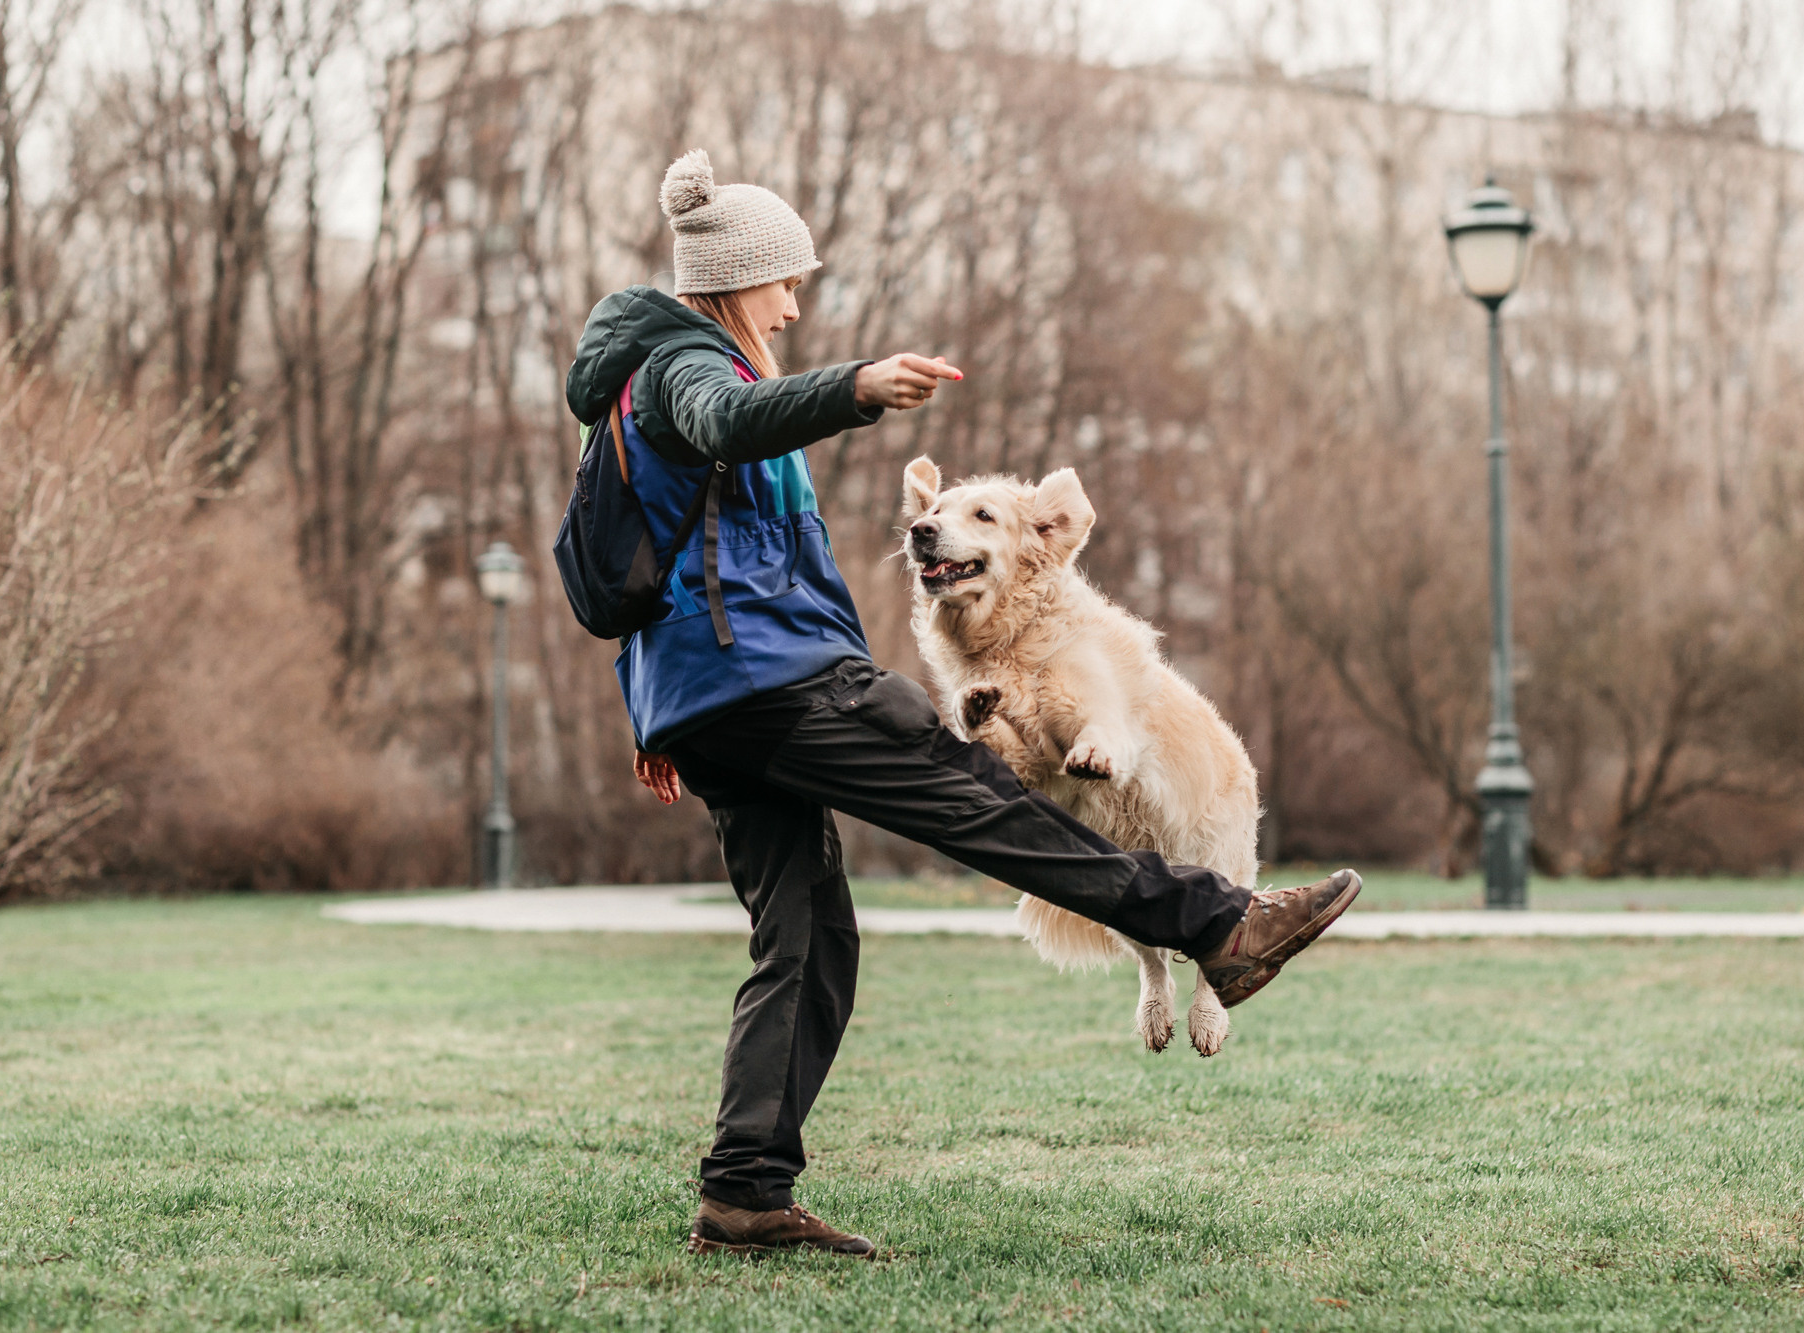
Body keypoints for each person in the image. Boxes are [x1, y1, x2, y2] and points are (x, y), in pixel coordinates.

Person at [564, 149, 1361, 1260]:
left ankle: (744, 1192)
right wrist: (851, 389)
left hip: (713, 699)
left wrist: (654, 710)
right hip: (774, 683)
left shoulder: (633, 388)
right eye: (784, 281)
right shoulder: (686, 369)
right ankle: (1217, 922)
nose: (794, 304)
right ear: (735, 279)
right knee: (982, 802)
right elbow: (723, 429)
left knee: (804, 935)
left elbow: (652, 555)